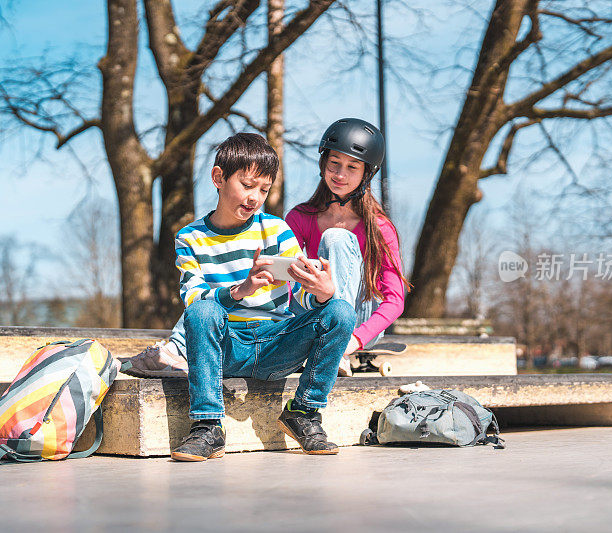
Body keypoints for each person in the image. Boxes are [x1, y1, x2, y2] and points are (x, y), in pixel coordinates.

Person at [138, 132, 355, 461]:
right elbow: (194, 299)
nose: (255, 197)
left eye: (264, 190)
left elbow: (301, 299)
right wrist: (241, 290)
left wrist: (321, 295)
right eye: (247, 184)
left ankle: (304, 412)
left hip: (275, 343)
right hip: (226, 345)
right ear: (218, 178)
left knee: (340, 311)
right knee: (201, 313)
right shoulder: (191, 237)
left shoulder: (277, 231)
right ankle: (208, 426)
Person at [286, 118, 411, 376]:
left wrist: (356, 339)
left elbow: (395, 299)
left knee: (337, 238)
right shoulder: (299, 217)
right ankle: (320, 344)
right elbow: (286, 284)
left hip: (357, 323)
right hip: (311, 312)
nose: (340, 175)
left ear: (367, 173)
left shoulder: (379, 227)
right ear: (323, 164)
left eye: (352, 167)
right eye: (334, 163)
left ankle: (336, 346)